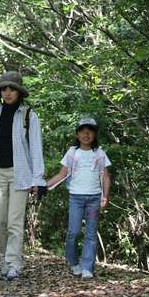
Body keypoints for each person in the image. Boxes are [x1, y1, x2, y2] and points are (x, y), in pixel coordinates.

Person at [0, 71, 46, 281]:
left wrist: (39, 179)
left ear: (19, 92)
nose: (7, 93)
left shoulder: (29, 115)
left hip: (21, 174)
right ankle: (7, 258)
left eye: (12, 89)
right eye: (4, 89)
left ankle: (13, 263)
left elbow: (36, 148)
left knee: (15, 222)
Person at [46, 117, 111, 279]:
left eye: (90, 131)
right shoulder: (72, 153)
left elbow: (106, 177)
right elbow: (62, 174)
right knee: (73, 232)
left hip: (94, 199)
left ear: (95, 134)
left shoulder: (100, 153)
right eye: (83, 131)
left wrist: (105, 197)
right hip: (76, 198)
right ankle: (74, 263)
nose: (86, 134)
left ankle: (88, 267)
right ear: (77, 134)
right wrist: (43, 186)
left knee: (90, 233)